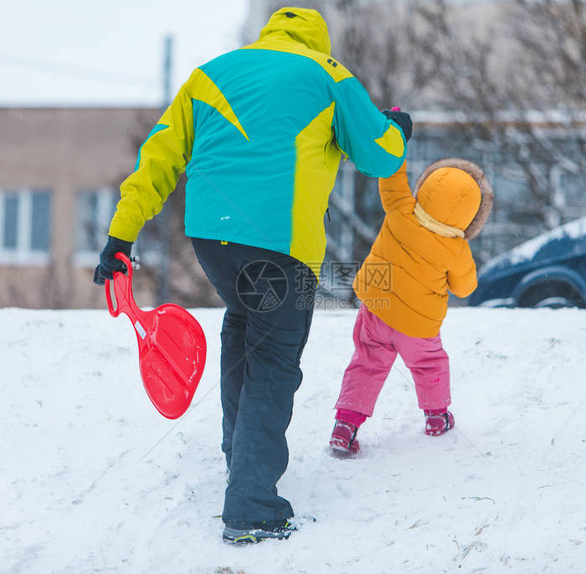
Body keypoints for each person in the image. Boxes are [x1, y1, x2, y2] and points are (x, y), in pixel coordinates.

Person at [93, 7, 411, 543]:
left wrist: (120, 236)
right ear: (315, 38)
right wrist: (398, 126)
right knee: (273, 361)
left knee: (243, 327)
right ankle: (252, 506)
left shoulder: (210, 74)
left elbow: (157, 161)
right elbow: (381, 157)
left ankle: (238, 457)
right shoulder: (327, 73)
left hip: (210, 239)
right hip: (279, 243)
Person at [328, 157, 494, 455]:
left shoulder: (401, 209)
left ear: (426, 187)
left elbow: (391, 176)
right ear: (472, 218)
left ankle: (346, 425)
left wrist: (397, 141)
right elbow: (465, 287)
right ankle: (436, 417)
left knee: (366, 363)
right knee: (429, 364)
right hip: (419, 326)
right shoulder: (458, 250)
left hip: (376, 311)